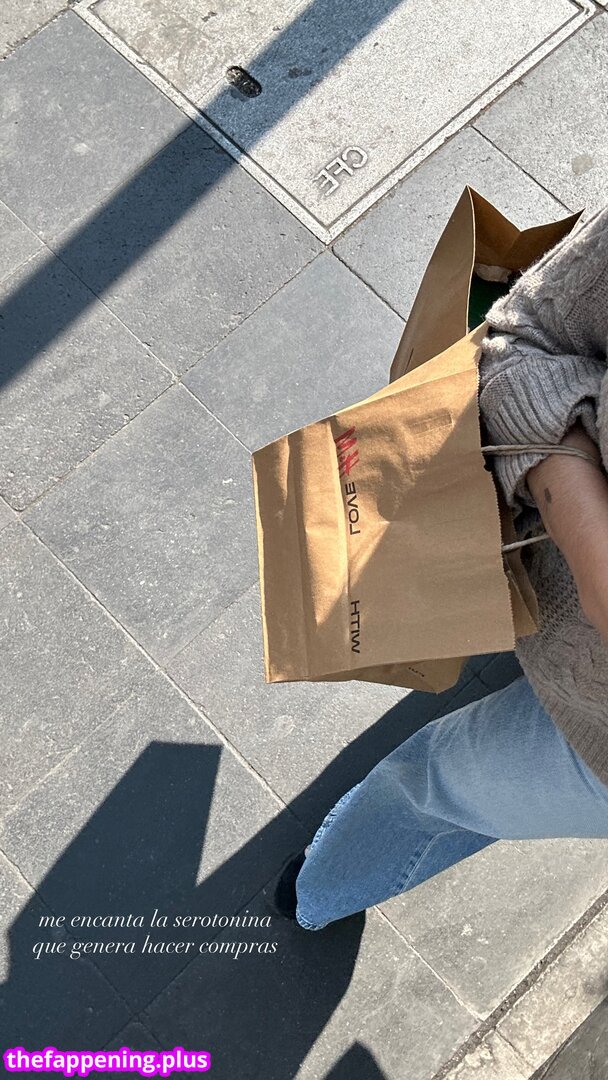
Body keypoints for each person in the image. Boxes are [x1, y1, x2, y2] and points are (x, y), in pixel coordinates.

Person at [272, 203, 608, 931]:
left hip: (599, 741)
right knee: (438, 780)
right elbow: (528, 336)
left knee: (443, 783)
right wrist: (593, 562)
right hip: (540, 550)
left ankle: (324, 889)